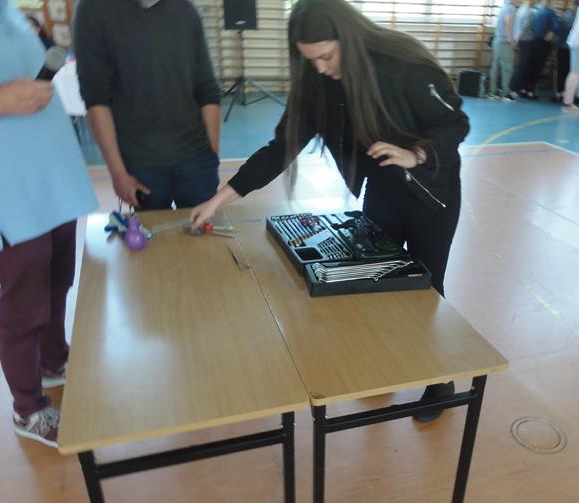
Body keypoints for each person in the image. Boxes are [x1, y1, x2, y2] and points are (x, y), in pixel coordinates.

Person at [190, 0, 469, 421]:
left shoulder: (401, 65)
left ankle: (438, 380)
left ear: (348, 39)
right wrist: (219, 198)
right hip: (384, 189)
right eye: (311, 60)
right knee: (380, 278)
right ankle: (390, 357)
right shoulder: (318, 83)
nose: (320, 68)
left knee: (426, 287)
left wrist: (415, 154)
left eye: (325, 56)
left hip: (431, 191)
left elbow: (455, 123)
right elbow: (281, 148)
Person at [0, 0, 98, 447]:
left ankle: (54, 360)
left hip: (52, 177)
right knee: (24, 303)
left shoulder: (6, 10)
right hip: (3, 188)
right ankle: (27, 407)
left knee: (58, 281)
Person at [72, 0, 221, 211]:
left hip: (197, 158)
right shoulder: (93, 10)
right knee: (151, 231)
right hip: (140, 163)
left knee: (204, 230)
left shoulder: (186, 10)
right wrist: (118, 173)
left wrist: (211, 155)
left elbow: (207, 89)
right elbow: (96, 100)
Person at [489, 0, 519, 100]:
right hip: (505, 41)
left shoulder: (504, 7)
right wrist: (510, 39)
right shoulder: (511, 8)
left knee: (495, 67)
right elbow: (508, 21)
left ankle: (493, 92)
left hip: (497, 40)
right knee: (507, 68)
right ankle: (505, 93)